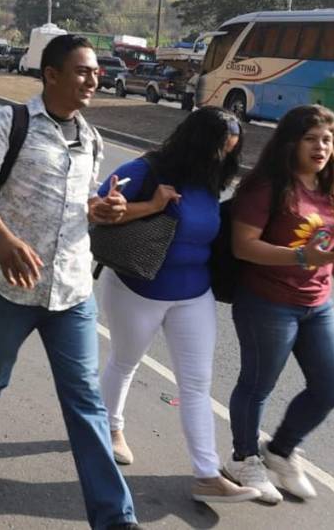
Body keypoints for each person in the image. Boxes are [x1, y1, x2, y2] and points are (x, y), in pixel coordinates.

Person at [0, 34, 139, 530]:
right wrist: (4, 239)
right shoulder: (8, 123)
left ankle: (115, 518)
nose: (94, 79)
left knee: (85, 403)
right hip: (11, 285)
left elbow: (81, 208)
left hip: (73, 290)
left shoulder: (92, 138)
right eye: (82, 71)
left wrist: (103, 211)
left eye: (96, 72)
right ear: (50, 75)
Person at [95, 108, 260, 504]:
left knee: (197, 384)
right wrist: (149, 205)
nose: (222, 157)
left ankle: (207, 474)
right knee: (124, 361)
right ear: (196, 142)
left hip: (194, 295)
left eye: (230, 151)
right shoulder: (148, 169)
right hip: (138, 288)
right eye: (218, 148)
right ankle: (109, 428)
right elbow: (99, 209)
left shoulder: (211, 179)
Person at [223, 104, 334, 503]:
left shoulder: (330, 187)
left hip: (317, 305)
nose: (322, 147)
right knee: (257, 384)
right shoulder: (266, 186)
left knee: (331, 388)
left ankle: (279, 451)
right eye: (311, 139)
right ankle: (243, 457)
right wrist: (302, 258)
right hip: (268, 302)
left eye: (328, 140)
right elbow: (243, 246)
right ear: (290, 142)